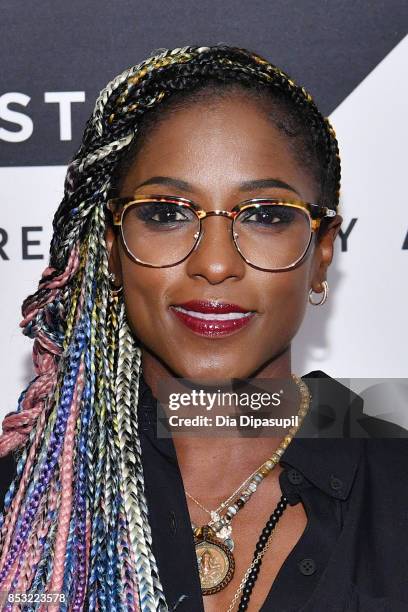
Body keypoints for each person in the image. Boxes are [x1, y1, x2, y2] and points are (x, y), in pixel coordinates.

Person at [0, 44, 407, 612]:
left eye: (266, 215)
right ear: (112, 252)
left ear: (321, 253)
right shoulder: (20, 504)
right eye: (166, 213)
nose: (215, 264)